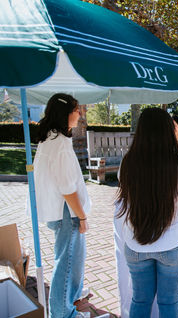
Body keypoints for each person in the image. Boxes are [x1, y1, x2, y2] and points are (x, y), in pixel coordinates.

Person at [115, 108, 178, 317]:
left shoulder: (127, 163)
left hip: (136, 241)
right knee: (169, 303)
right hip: (174, 242)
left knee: (140, 300)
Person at [33, 93, 90, 318]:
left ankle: (71, 295)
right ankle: (62, 313)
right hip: (66, 211)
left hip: (64, 210)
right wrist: (82, 217)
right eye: (77, 110)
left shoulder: (54, 138)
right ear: (66, 113)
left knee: (75, 257)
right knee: (65, 263)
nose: (80, 114)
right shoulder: (59, 144)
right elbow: (67, 189)